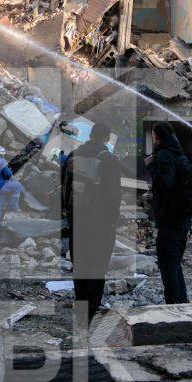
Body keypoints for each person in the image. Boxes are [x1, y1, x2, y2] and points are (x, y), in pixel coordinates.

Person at [63, 126, 121, 322]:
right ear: (106, 138)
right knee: (98, 265)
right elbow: (114, 194)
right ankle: (92, 308)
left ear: (90, 135)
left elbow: (65, 187)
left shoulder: (73, 155)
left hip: (78, 219)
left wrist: (69, 214)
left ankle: (80, 307)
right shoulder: (110, 159)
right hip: (101, 222)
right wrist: (113, 219)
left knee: (80, 264)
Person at [147, 122, 192, 304]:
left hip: (170, 219)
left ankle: (173, 305)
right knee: (175, 264)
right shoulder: (180, 155)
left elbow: (166, 183)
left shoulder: (163, 155)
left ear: (157, 136)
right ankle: (181, 303)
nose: (153, 138)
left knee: (167, 264)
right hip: (182, 218)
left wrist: (151, 166)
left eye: (153, 135)